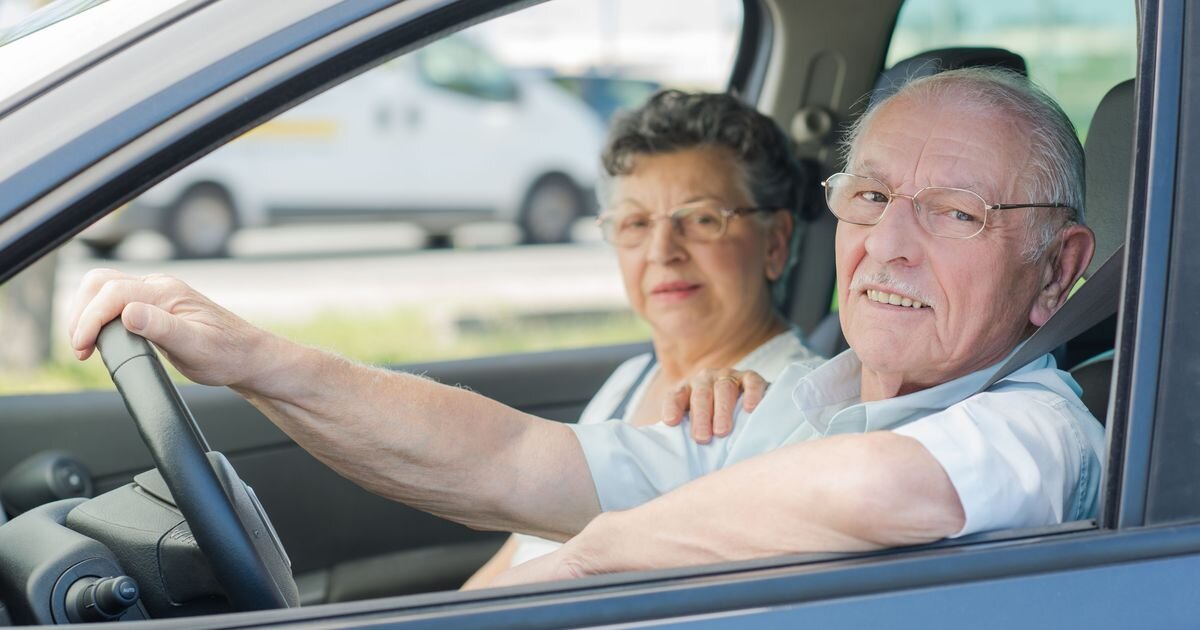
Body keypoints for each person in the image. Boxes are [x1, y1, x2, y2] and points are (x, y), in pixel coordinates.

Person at [67, 67, 1102, 586]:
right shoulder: (801, 400)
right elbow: (516, 458)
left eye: (959, 213)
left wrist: (562, 573)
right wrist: (253, 358)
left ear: (1054, 271)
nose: (894, 245)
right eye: (872, 197)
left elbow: (887, 487)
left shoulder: (1040, 430)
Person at [462, 90, 820, 588]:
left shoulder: (794, 408)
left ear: (774, 243)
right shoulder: (632, 379)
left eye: (700, 219)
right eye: (635, 223)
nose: (661, 250)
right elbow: (520, 551)